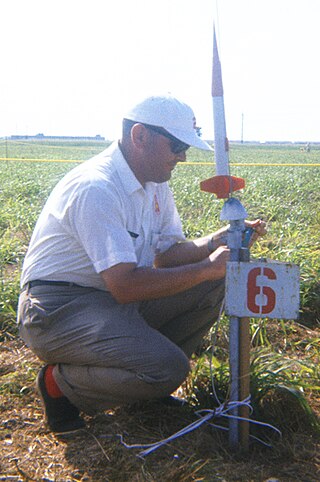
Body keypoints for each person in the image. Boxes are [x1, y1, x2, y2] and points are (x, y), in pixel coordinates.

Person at [17, 94, 265, 434]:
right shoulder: (97, 187)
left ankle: (147, 385)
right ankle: (60, 385)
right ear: (140, 137)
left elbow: (165, 255)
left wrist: (215, 242)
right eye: (176, 145)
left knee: (215, 285)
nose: (182, 156)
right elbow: (126, 285)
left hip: (109, 300)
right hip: (58, 310)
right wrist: (206, 266)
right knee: (169, 367)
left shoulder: (154, 184)